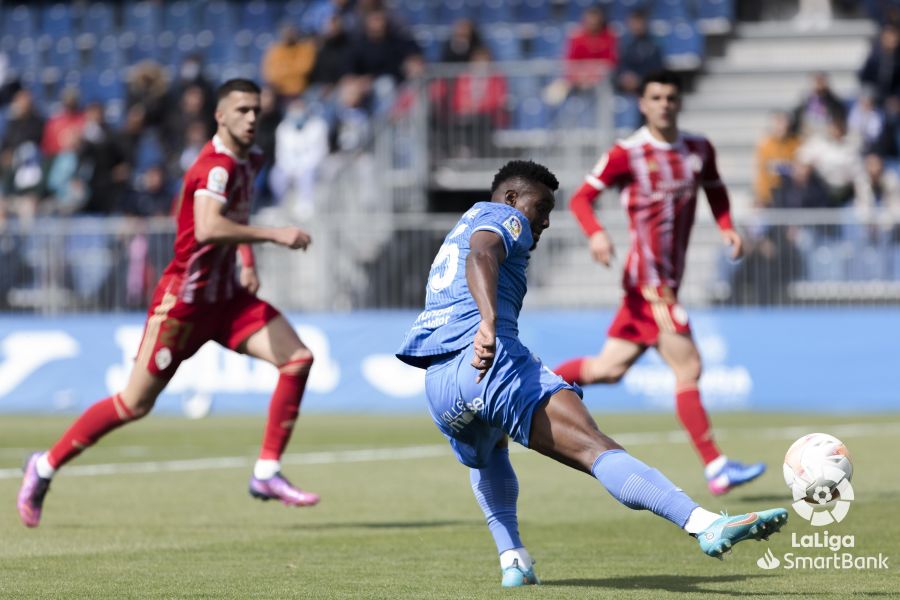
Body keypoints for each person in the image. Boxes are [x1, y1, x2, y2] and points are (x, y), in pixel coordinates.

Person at [396, 159, 788, 588]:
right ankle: (702, 523)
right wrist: (488, 323)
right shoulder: (504, 218)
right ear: (511, 198)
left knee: (490, 454)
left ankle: (514, 559)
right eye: (541, 207)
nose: (544, 221)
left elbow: (474, 255)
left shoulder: (459, 229)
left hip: (440, 387)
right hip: (490, 362)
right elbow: (483, 254)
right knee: (594, 448)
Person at [17, 79, 320, 528]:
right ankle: (43, 466)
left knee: (297, 358)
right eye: (242, 110)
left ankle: (266, 472)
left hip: (227, 300)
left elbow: (235, 217)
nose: (252, 118)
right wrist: (276, 236)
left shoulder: (250, 159)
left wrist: (247, 258)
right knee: (133, 404)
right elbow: (208, 228)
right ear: (220, 116)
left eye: (256, 110)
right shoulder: (213, 167)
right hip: (184, 304)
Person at [554, 71, 766, 496]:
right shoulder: (627, 153)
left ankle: (532, 388)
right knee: (689, 366)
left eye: (671, 96)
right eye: (656, 97)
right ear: (643, 104)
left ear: (679, 102)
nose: (665, 103)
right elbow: (580, 198)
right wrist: (596, 232)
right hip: (649, 283)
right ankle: (717, 466)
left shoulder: (698, 149)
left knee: (607, 370)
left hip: (663, 283)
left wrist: (727, 226)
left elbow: (716, 190)